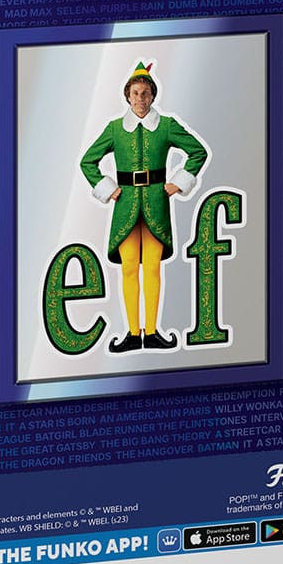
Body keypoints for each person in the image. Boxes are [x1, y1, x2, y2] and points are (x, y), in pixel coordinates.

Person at [80, 62, 208, 352]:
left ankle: (151, 332)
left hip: (155, 203)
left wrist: (178, 182)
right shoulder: (115, 129)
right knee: (128, 268)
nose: (140, 98)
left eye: (146, 93)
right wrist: (108, 188)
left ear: (153, 96)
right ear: (127, 95)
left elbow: (198, 152)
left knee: (152, 267)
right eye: (135, 93)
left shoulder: (166, 125)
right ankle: (131, 332)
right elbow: (88, 161)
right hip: (125, 204)